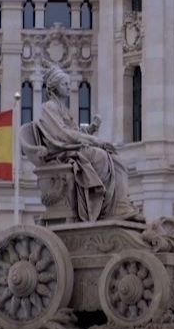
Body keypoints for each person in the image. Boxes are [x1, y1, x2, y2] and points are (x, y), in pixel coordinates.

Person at [24, 64, 143, 223]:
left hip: (72, 147)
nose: (68, 87)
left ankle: (118, 205)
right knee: (100, 156)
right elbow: (62, 134)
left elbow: (74, 132)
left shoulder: (63, 109)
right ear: (54, 87)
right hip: (62, 152)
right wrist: (93, 140)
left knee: (116, 160)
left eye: (68, 83)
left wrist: (91, 129)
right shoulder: (49, 107)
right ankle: (104, 206)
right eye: (64, 84)